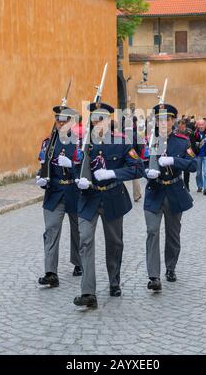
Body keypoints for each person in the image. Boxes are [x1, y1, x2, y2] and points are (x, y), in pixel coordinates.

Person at [73, 102, 144, 308]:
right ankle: (88, 293)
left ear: (109, 120)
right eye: (94, 119)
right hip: (89, 198)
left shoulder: (121, 142)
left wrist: (113, 173)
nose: (97, 123)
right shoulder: (84, 142)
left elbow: (137, 168)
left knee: (114, 243)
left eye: (101, 119)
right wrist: (79, 179)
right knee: (85, 240)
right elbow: (74, 167)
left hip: (113, 196)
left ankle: (114, 281)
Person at [143, 103, 197, 291]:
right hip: (154, 192)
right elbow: (138, 163)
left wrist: (174, 160)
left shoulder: (182, 141)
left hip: (174, 192)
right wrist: (146, 171)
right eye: (160, 119)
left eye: (167, 119)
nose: (163, 122)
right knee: (152, 231)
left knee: (173, 235)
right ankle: (154, 276)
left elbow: (194, 164)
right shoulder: (149, 141)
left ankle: (171, 267)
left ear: (173, 121)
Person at [36, 105, 82, 288]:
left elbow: (86, 167)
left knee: (78, 229)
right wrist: (41, 179)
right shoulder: (49, 142)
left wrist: (72, 164)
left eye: (64, 121)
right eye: (58, 120)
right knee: (51, 230)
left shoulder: (79, 142)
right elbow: (43, 166)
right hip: (54, 192)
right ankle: (50, 272)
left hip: (74, 191)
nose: (60, 123)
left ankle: (78, 262)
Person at [176, 118, 193, 191]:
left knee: (187, 170)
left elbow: (192, 142)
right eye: (180, 125)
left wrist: (192, 156)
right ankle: (179, 185)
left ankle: (186, 185)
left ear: (185, 125)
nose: (181, 127)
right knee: (177, 169)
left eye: (182, 125)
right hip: (178, 152)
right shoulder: (175, 132)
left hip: (187, 151)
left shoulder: (189, 131)